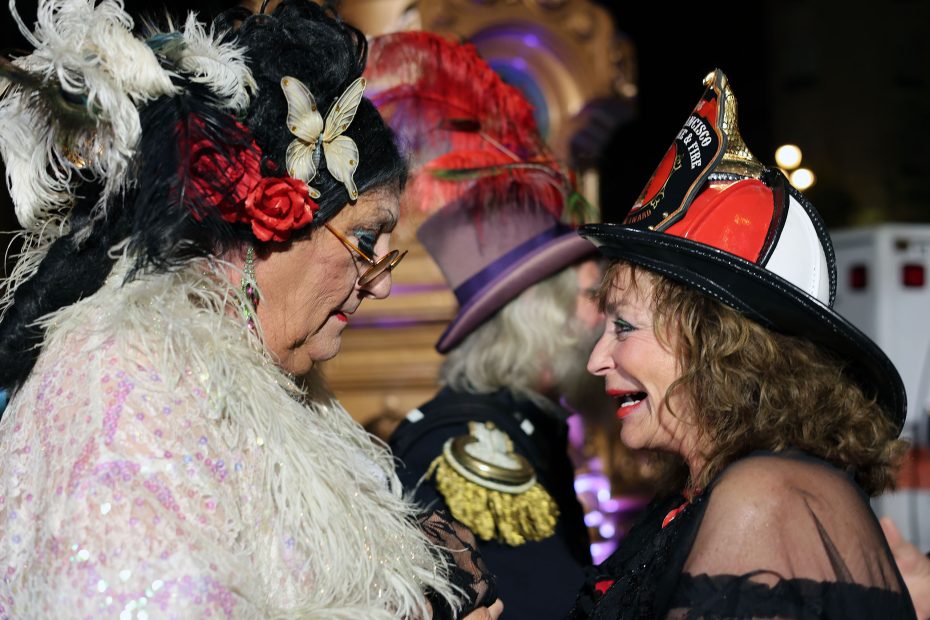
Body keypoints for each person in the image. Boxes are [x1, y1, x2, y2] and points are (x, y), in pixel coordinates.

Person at [0, 1, 501, 617]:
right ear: (272, 217)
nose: (382, 285)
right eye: (366, 242)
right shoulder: (123, 377)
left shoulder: (273, 388)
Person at [569, 69, 917, 618]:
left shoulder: (761, 496)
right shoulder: (700, 496)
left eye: (625, 326)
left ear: (717, 344)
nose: (596, 360)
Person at [364, 32, 598, 619]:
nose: (611, 315)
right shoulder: (472, 443)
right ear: (544, 318)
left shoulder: (528, 426)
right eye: (596, 295)